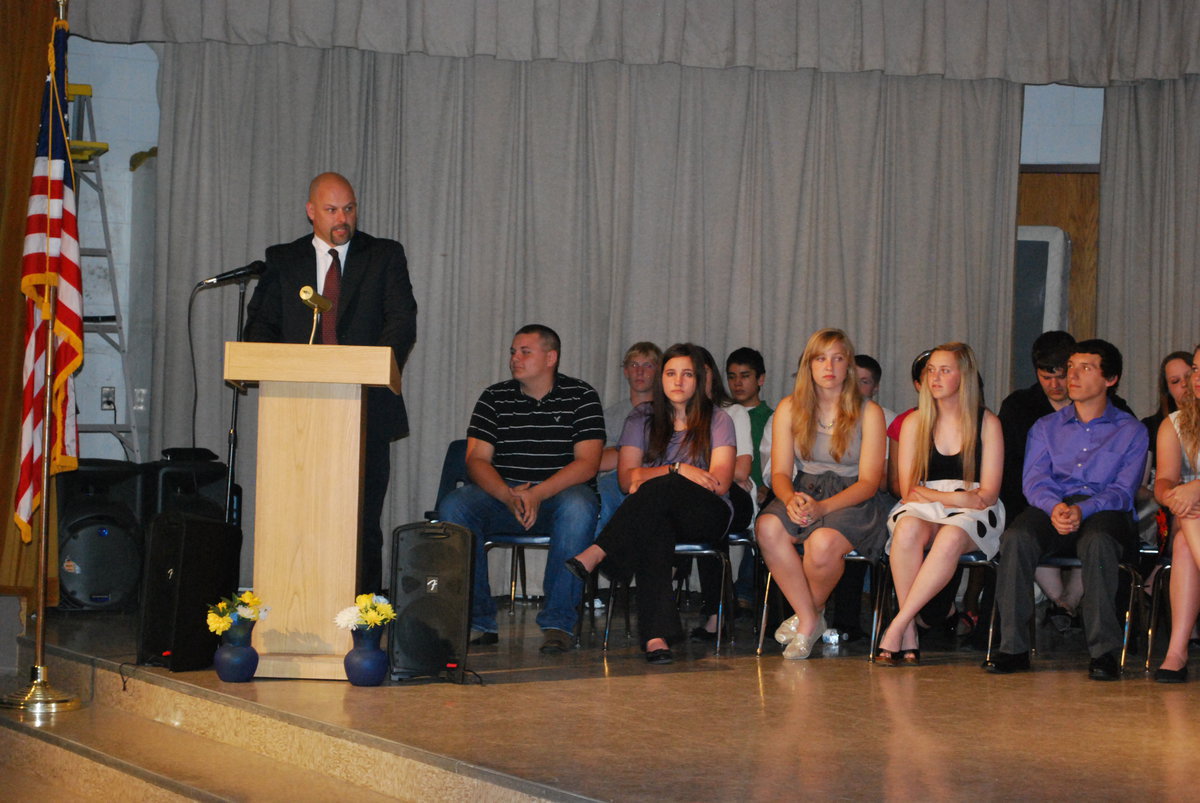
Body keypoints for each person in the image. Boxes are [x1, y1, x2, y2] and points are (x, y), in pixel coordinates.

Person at [243, 172, 417, 595]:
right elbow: (260, 328)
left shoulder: (384, 255)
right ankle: (292, 604)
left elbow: (401, 322)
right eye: (332, 210)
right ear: (311, 212)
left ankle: (362, 618)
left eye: (349, 208)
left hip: (366, 409)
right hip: (296, 411)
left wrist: (370, 367)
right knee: (295, 517)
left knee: (360, 521)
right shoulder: (282, 260)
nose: (343, 218)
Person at [438, 324, 604, 654]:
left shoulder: (582, 396)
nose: (515, 358)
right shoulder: (494, 397)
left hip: (558, 495)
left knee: (580, 506)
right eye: (513, 352)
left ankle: (558, 624)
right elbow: (476, 460)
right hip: (504, 496)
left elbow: (587, 463)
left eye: (525, 351)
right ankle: (478, 621)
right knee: (455, 506)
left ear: (551, 357)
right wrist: (507, 495)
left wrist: (538, 494)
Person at [989, 339, 1149, 680]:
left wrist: (1084, 509)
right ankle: (1013, 648)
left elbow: (1123, 491)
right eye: (1071, 367)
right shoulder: (1045, 427)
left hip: (1105, 509)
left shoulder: (1130, 430)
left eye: (1084, 368)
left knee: (1098, 542)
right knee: (1016, 537)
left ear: (1111, 379)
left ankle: (1104, 653)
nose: (1071, 375)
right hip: (1053, 505)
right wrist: (1056, 507)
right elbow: (1033, 481)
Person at [567, 343, 736, 664]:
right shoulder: (641, 418)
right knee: (654, 527)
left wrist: (666, 475)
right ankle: (656, 638)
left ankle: (601, 551)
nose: (678, 381)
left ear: (699, 380)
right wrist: (678, 468)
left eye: (687, 374)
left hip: (707, 514)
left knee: (659, 486)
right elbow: (626, 480)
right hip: (656, 514)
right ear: (661, 379)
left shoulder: (718, 419)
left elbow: (719, 483)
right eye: (671, 373)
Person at [755, 328, 889, 660]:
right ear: (808, 365)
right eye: (820, 358)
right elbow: (782, 472)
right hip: (803, 488)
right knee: (767, 528)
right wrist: (788, 498)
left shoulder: (870, 412)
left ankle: (803, 621)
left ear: (849, 366)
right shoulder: (789, 407)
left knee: (822, 544)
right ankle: (811, 618)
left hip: (852, 495)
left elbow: (870, 482)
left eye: (837, 358)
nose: (829, 366)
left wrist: (823, 507)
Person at [875, 343, 1004, 664]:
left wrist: (951, 498)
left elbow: (986, 494)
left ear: (965, 376)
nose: (935, 377)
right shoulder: (914, 423)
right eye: (931, 370)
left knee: (950, 536)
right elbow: (908, 489)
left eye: (945, 370)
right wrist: (956, 497)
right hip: (928, 504)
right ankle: (909, 631)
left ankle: (900, 625)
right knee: (905, 530)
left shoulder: (987, 423)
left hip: (975, 513)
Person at [997, 331, 1082, 631]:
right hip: (1032, 500)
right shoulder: (1019, 406)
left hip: (1087, 503)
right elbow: (1010, 470)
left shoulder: (1098, 403)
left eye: (1061, 376)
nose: (1055, 385)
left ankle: (1066, 603)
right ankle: (1064, 602)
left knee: (1096, 531)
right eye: (1047, 377)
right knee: (1022, 531)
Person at [1153, 344, 1200, 683]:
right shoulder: (1177, 423)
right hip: (1193, 516)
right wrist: (1176, 494)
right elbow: (1164, 482)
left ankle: (1177, 651)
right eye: (1196, 369)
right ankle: (1176, 651)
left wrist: (1194, 488)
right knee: (1186, 525)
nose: (1196, 378)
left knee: (1186, 534)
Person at [596, 343, 662, 535]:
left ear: (658, 372)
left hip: (654, 479)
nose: (640, 372)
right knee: (600, 501)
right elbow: (597, 461)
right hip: (613, 481)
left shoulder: (668, 413)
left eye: (648, 365)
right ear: (625, 371)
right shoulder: (609, 415)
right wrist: (636, 452)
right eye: (634, 365)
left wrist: (622, 452)